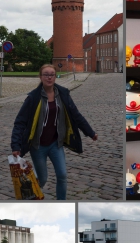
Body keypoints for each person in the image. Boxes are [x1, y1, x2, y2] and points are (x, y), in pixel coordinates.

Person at [11, 64, 97, 200]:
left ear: (55, 76)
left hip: (55, 144)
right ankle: (30, 196)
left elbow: (76, 115)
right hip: (38, 146)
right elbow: (20, 122)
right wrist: (15, 145)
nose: (49, 77)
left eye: (52, 74)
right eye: (46, 74)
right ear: (41, 77)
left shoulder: (62, 94)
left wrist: (90, 132)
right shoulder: (33, 98)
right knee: (43, 179)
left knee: (62, 175)